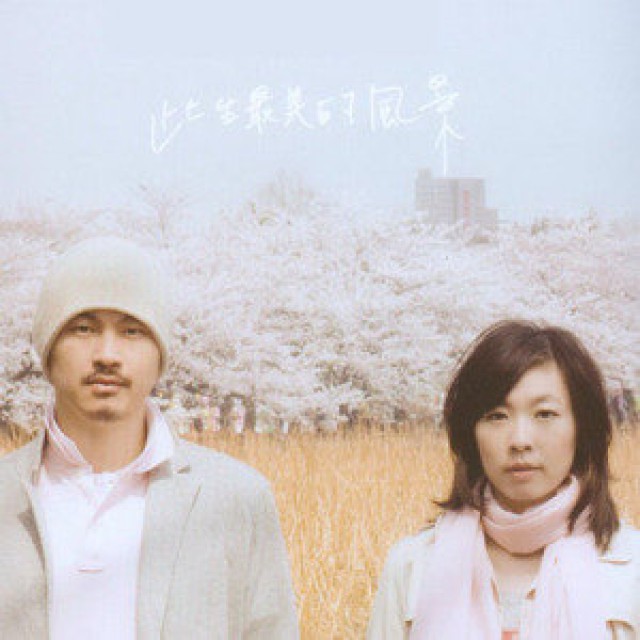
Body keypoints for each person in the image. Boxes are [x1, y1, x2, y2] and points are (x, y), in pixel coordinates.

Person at [0, 236, 298, 639]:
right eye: (83, 328)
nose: (107, 355)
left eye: (132, 331)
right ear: (47, 351)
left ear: (161, 356)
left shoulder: (236, 498)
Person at [368, 320, 639, 639]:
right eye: (497, 416)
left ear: (582, 428)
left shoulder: (632, 568)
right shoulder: (413, 566)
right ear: (471, 434)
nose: (520, 440)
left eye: (545, 414)